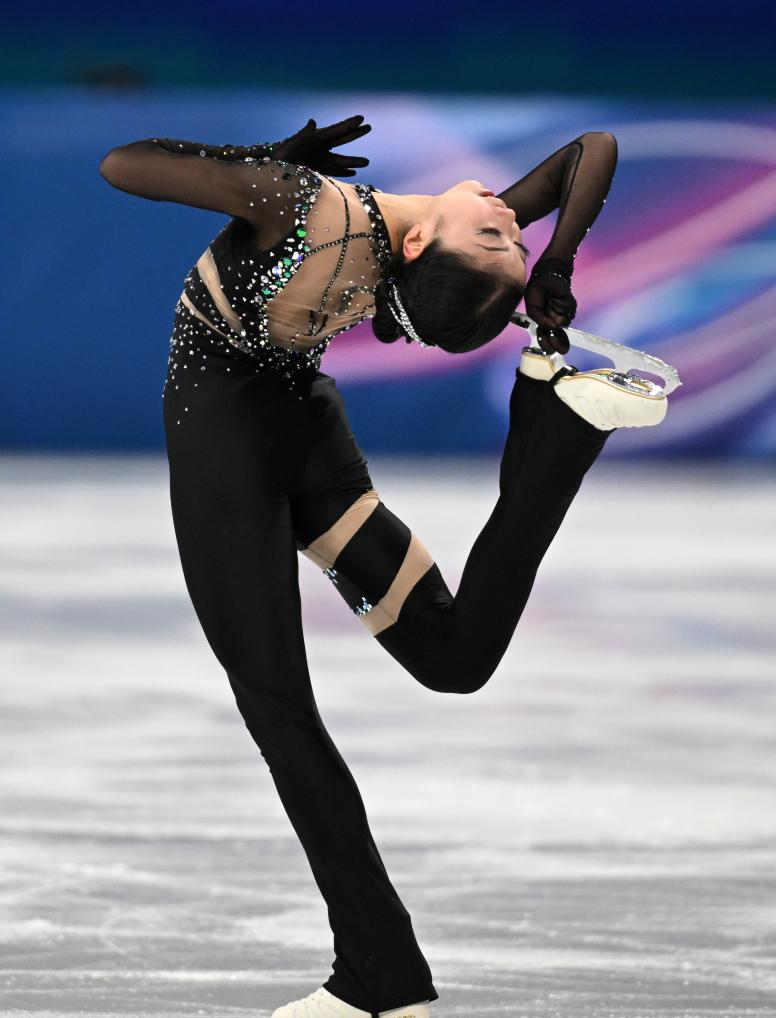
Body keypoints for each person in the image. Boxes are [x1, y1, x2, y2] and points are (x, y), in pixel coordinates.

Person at [98, 115, 665, 1018]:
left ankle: (381, 978)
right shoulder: (429, 229)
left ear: (417, 245)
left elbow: (124, 161)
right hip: (298, 435)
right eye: (509, 237)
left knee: (294, 709)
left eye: (503, 238)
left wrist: (267, 161)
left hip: (233, 452)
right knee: (444, 660)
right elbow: (590, 152)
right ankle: (558, 432)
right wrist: (551, 263)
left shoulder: (298, 204)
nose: (507, 219)